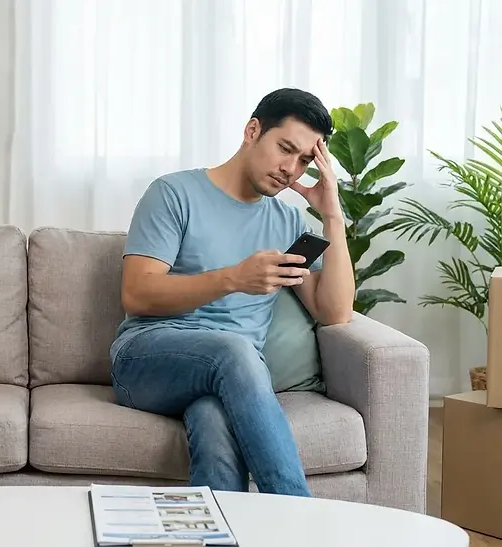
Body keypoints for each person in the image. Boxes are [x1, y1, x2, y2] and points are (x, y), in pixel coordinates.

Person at [111, 88, 355, 497]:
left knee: (215, 421)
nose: (290, 169)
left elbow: (335, 313)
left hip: (232, 380)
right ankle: (304, 521)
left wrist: (332, 215)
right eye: (285, 148)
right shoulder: (173, 194)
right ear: (252, 130)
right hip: (146, 359)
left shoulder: (285, 220)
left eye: (304, 161)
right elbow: (137, 294)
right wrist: (234, 278)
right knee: (235, 351)